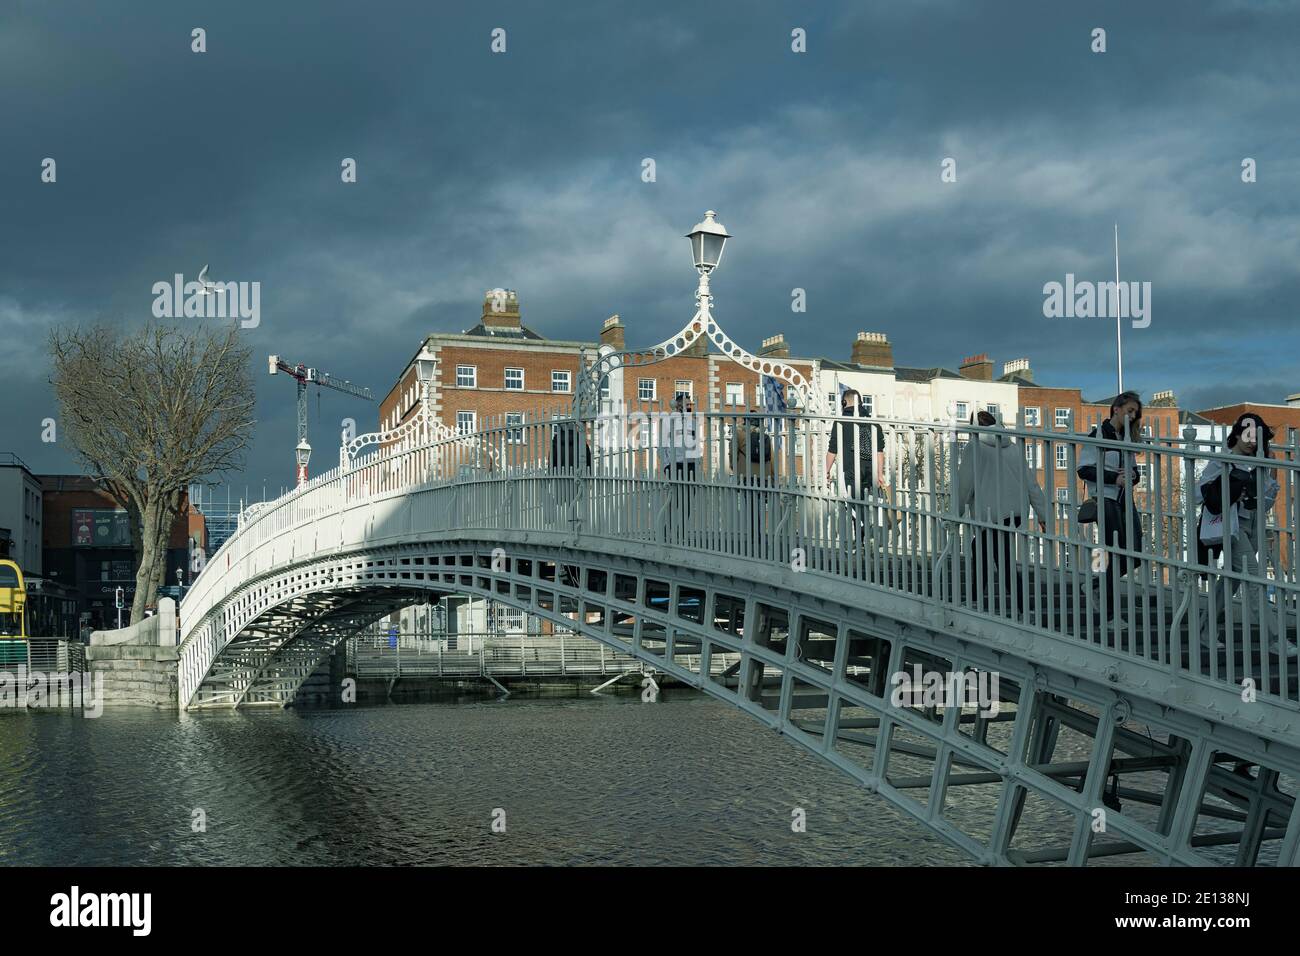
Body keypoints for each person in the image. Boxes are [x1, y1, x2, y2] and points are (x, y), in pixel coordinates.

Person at [1196, 413, 1293, 656]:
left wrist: (1271, 474)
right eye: (1248, 435)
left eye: (1256, 438)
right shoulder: (1223, 460)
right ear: (1237, 433)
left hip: (1253, 524)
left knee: (1231, 580)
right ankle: (1275, 638)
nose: (1251, 442)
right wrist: (1229, 490)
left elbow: (1266, 503)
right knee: (1254, 577)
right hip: (1232, 525)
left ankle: (1204, 629)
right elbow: (1201, 494)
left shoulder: (1259, 461)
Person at [954, 409, 1049, 618]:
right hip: (1013, 512)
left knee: (997, 558)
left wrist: (956, 514)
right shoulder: (1012, 447)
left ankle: (1020, 607)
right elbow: (1031, 483)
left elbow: (964, 486)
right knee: (986, 552)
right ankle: (979, 599)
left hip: (990, 513)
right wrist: (1043, 514)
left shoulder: (975, 446)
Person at [1077, 391, 1145, 626]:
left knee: (1135, 552)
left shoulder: (1126, 439)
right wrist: (1112, 478)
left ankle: (1095, 585)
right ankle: (1109, 615)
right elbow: (1083, 469)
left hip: (1125, 499)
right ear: (1116, 409)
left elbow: (1134, 473)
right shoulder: (1098, 435)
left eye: (1135, 412)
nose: (1133, 415)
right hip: (1105, 499)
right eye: (1130, 410)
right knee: (1113, 554)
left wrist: (1132, 475)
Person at [825, 389, 887, 552]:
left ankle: (860, 541)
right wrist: (880, 474)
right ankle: (866, 539)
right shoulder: (873, 422)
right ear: (860, 402)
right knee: (867, 505)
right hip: (872, 470)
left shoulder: (840, 422)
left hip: (852, 469)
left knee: (855, 505)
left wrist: (826, 470)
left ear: (844, 403)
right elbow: (880, 451)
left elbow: (833, 448)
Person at [730, 409, 775, 548]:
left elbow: (732, 454)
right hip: (763, 476)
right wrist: (772, 477)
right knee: (760, 508)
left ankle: (752, 536)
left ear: (745, 420)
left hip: (747, 475)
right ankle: (760, 535)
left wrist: (736, 470)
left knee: (750, 508)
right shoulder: (764, 435)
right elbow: (771, 458)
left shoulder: (739, 433)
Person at [659, 394, 702, 540]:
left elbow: (696, 444)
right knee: (675, 499)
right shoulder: (668, 422)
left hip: (691, 465)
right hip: (675, 464)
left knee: (689, 501)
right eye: (686, 404)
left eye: (690, 404)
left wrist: (698, 463)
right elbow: (662, 445)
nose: (689, 406)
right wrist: (666, 466)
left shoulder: (694, 423)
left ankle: (682, 532)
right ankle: (667, 530)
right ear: (677, 405)